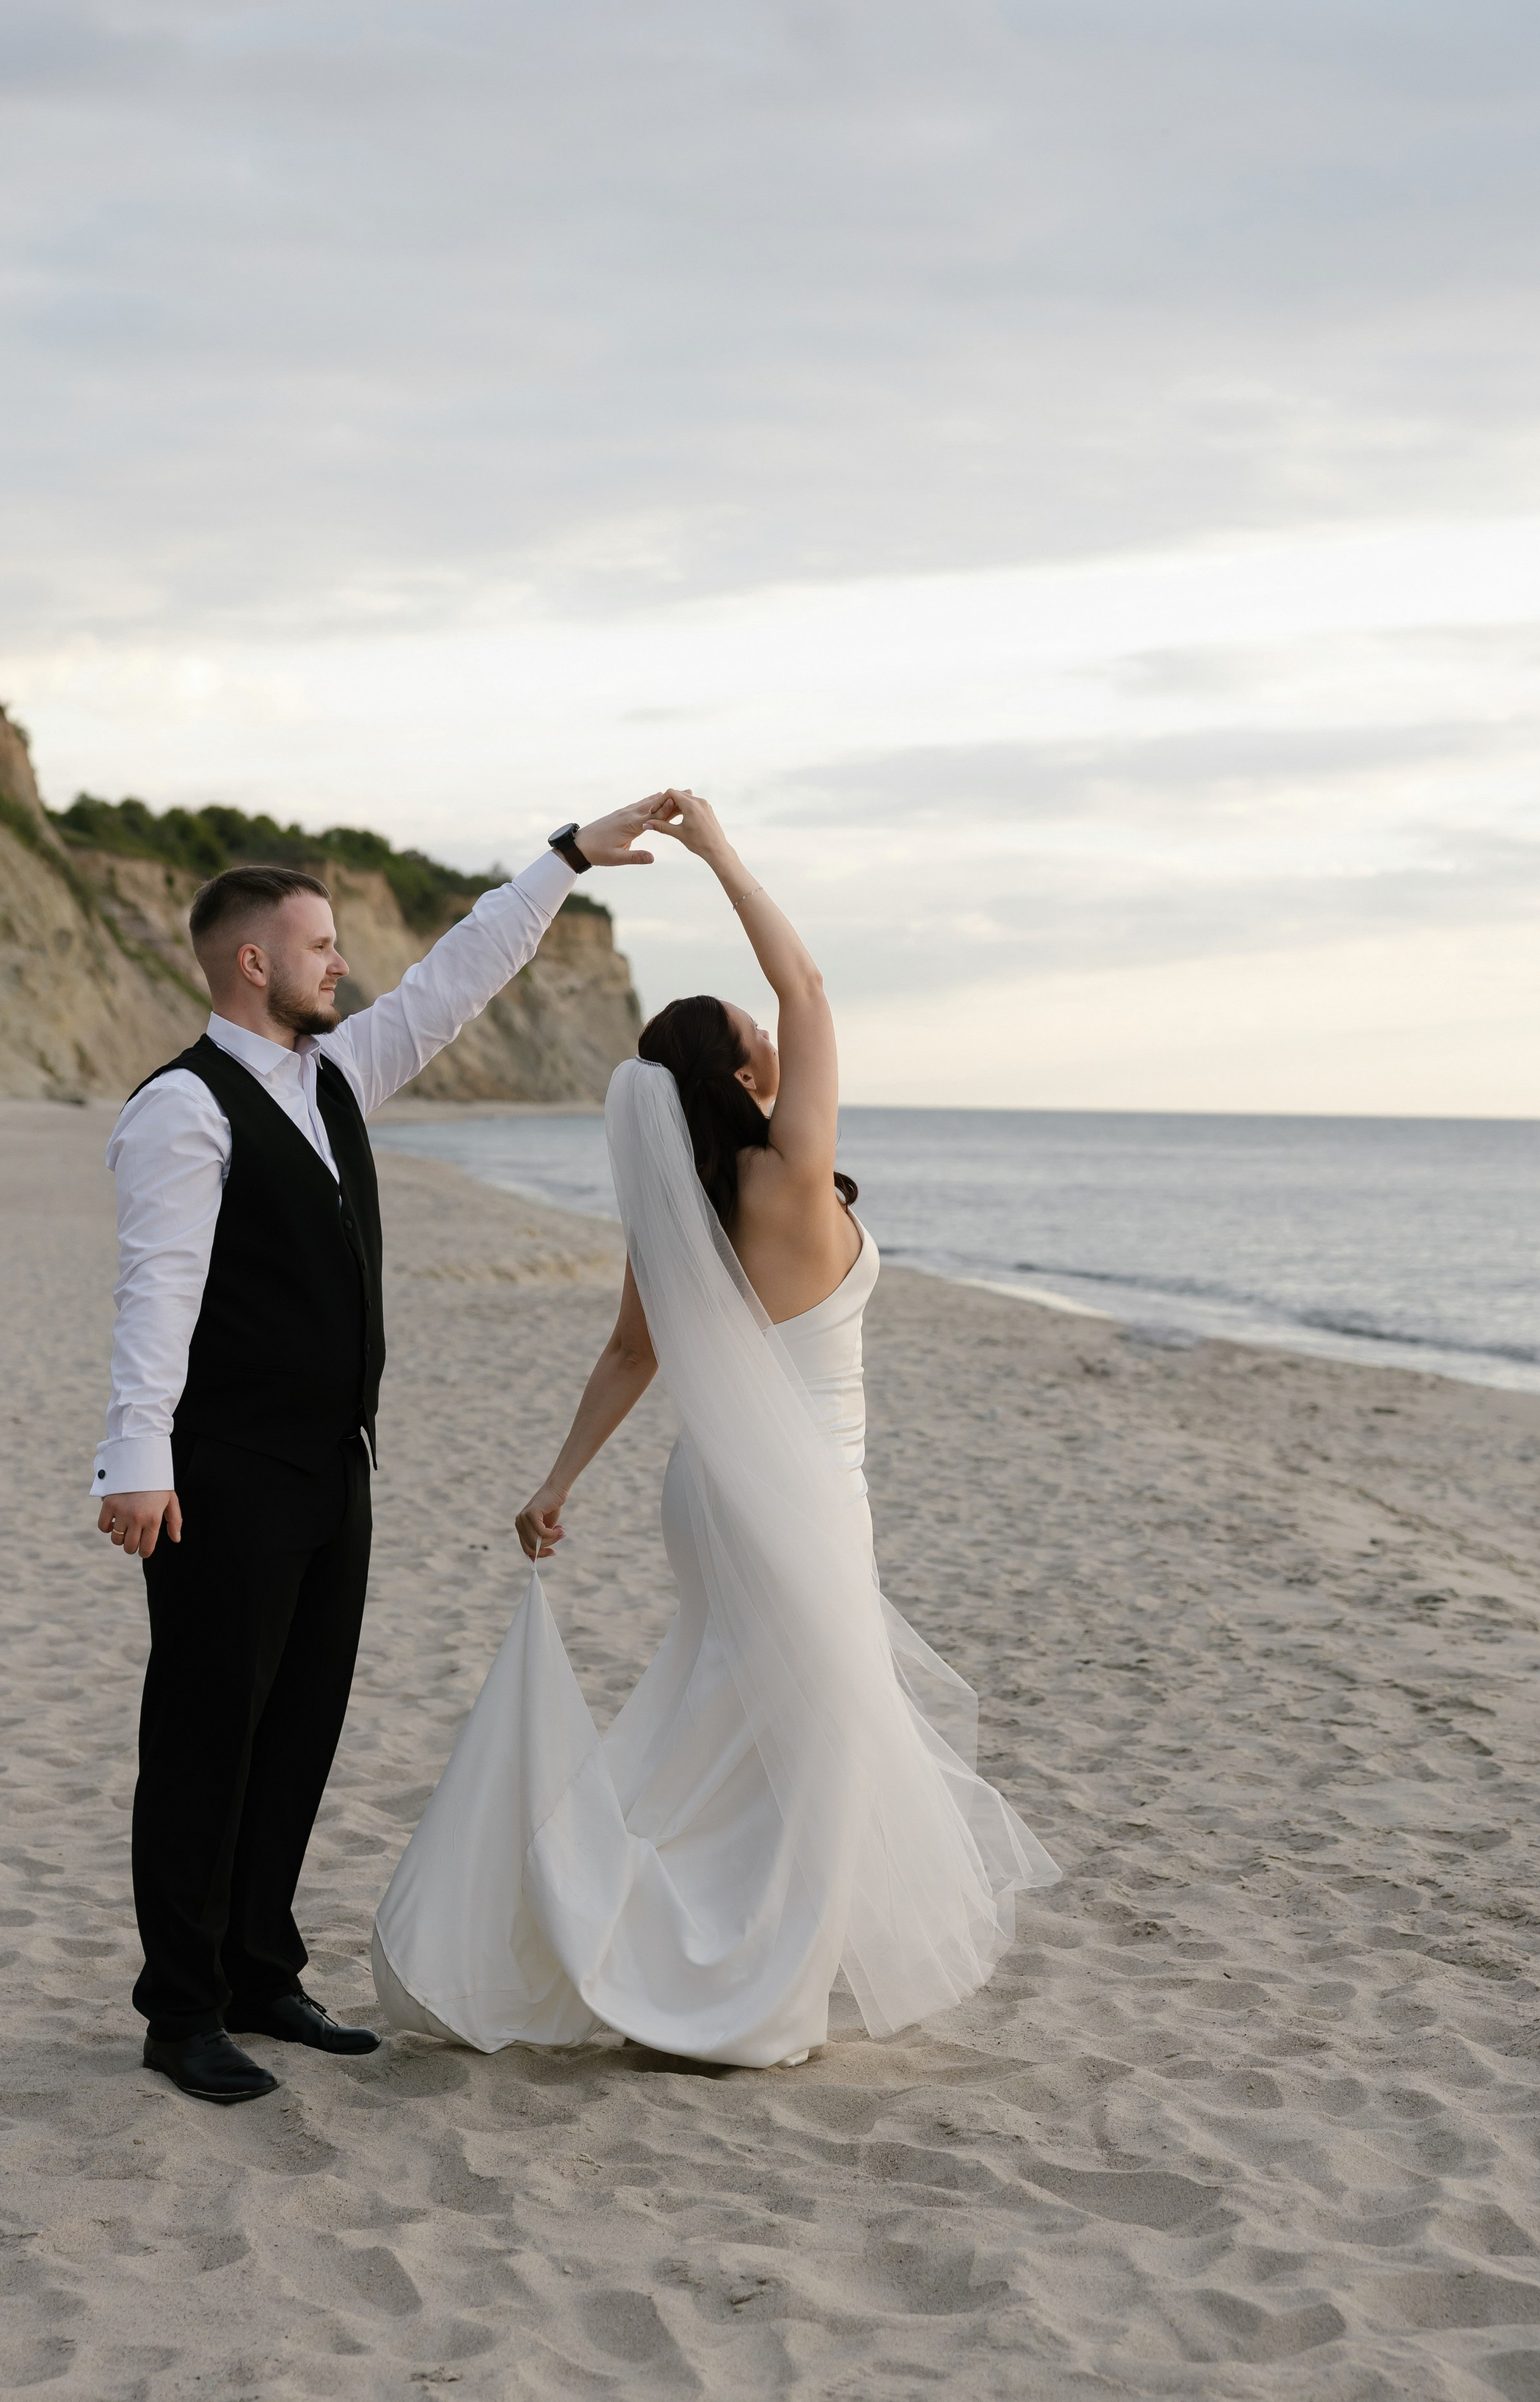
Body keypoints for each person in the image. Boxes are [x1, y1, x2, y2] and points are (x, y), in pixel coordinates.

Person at [370, 792, 1059, 2069]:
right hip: (799, 1496)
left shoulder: (685, 1210)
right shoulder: (787, 1174)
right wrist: (719, 851)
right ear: (745, 1074)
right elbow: (806, 978)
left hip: (709, 1493)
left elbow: (633, 1351)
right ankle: (740, 1992)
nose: (780, 1035)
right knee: (813, 1741)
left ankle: (673, 1926)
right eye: (760, 1035)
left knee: (725, 1721)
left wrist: (559, 1477)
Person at [92, 798, 669, 2105]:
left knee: (299, 1726)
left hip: (333, 1464)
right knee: (204, 1735)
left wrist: (566, 858)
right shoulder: (182, 1111)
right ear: (254, 961)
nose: (339, 964)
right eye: (319, 946)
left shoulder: (335, 1076)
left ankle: (257, 1969)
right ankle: (180, 2009)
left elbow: (457, 975)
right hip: (220, 1471)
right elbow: (156, 1289)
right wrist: (136, 1460)